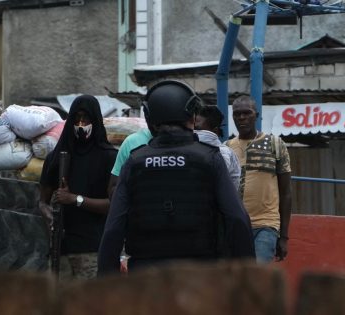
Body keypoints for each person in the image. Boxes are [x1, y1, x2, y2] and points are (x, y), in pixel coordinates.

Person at [98, 80, 255, 275]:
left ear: (149, 118)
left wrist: (108, 283)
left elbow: (113, 228)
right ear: (191, 115)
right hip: (200, 277)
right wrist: (248, 279)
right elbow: (237, 218)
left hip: (146, 279)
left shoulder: (134, 162)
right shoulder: (210, 158)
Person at [40, 94, 117, 280]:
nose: (81, 124)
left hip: (92, 250)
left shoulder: (108, 157)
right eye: (77, 118)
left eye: (86, 118)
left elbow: (112, 206)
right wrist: (49, 215)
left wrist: (75, 199)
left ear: (95, 120)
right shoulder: (56, 157)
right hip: (61, 251)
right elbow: (42, 201)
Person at [226, 95, 292, 264]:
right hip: (236, 226)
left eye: (246, 113)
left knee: (257, 277)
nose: (241, 117)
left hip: (266, 224)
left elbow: (286, 193)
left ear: (256, 115)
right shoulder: (226, 148)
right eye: (237, 114)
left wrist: (284, 236)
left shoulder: (275, 145)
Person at [194, 105, 241, 190]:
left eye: (197, 129)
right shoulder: (190, 148)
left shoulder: (223, 153)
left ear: (215, 130)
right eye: (192, 128)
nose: (194, 132)